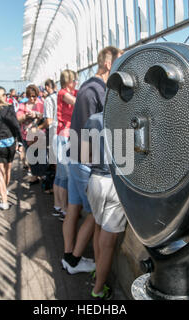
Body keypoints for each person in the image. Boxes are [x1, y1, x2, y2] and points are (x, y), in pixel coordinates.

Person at [61, 47, 123, 274]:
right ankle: (75, 260)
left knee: (74, 208)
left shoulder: (87, 87)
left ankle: (68, 256)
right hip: (85, 162)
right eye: (120, 60)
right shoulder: (96, 91)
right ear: (108, 64)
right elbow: (93, 131)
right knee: (95, 216)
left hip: (75, 157)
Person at [83, 112, 127, 300]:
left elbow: (85, 156)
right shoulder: (130, 117)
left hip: (95, 181)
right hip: (117, 185)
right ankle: (98, 289)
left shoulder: (94, 119)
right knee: (108, 243)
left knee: (98, 228)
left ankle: (97, 272)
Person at [55, 70, 78, 221]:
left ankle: (58, 206)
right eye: (73, 80)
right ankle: (64, 208)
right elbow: (77, 102)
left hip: (64, 134)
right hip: (65, 135)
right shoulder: (63, 93)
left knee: (60, 175)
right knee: (66, 175)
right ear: (67, 81)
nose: (76, 82)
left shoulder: (72, 91)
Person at [16, 84, 45, 184]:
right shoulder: (22, 105)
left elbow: (44, 116)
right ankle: (34, 175)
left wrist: (36, 114)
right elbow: (18, 118)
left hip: (39, 135)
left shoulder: (41, 103)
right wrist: (25, 116)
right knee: (31, 156)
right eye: (30, 96)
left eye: (34, 96)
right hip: (26, 135)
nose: (32, 98)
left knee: (40, 156)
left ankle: (41, 175)